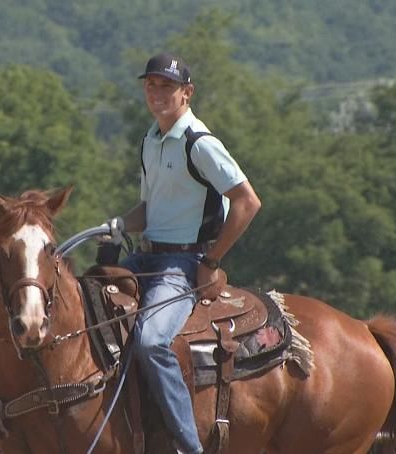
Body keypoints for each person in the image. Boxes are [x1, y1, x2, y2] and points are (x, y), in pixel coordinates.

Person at [102, 53, 261, 454]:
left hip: (182, 263)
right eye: (151, 85)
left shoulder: (199, 143)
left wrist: (211, 262)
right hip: (145, 255)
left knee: (153, 342)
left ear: (186, 94)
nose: (157, 93)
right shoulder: (150, 140)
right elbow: (149, 209)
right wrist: (120, 224)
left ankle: (188, 446)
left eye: (167, 87)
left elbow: (246, 202)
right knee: (86, 301)